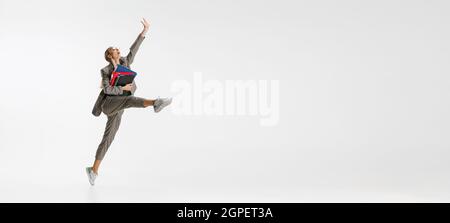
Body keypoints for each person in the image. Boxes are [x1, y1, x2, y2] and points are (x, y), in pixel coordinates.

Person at [86, 18, 172, 186]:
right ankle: (156, 102)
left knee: (108, 138)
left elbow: (134, 49)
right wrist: (123, 87)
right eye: (115, 50)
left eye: (117, 49)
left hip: (120, 106)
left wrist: (144, 31)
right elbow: (106, 90)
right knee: (130, 99)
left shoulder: (125, 62)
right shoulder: (105, 71)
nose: (119, 50)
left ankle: (93, 170)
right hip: (109, 105)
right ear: (111, 55)